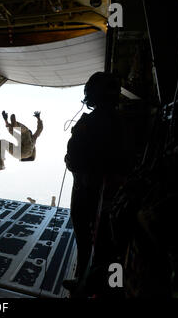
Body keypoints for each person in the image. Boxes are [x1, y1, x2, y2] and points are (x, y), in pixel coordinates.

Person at [63, 71, 124, 296]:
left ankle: (85, 282)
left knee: (86, 238)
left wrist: (71, 161)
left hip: (87, 189)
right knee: (109, 245)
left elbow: (75, 158)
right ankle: (109, 287)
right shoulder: (121, 121)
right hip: (110, 193)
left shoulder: (90, 122)